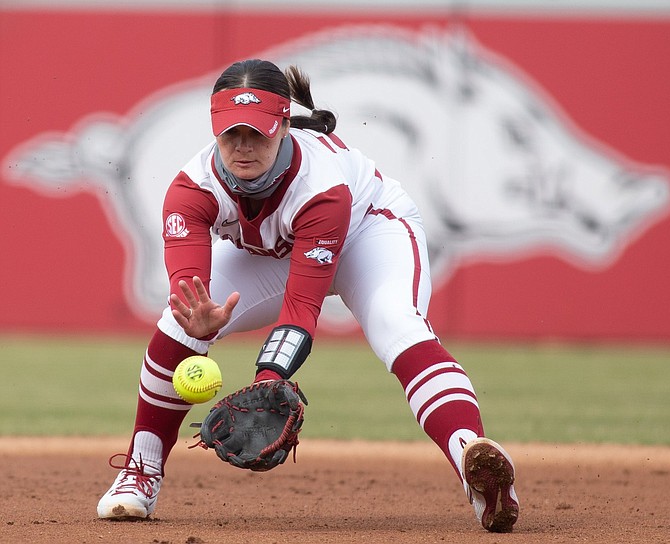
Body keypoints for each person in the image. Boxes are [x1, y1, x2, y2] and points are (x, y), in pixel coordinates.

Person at [96, 59, 519, 533]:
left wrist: (267, 378)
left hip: (368, 231)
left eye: (257, 133)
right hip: (279, 250)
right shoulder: (191, 190)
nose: (242, 146)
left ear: (283, 125)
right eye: (230, 132)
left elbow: (302, 310)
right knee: (175, 325)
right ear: (214, 129)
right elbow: (188, 287)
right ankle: (140, 473)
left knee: (396, 322)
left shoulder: (322, 188)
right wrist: (197, 319)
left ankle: (471, 459)